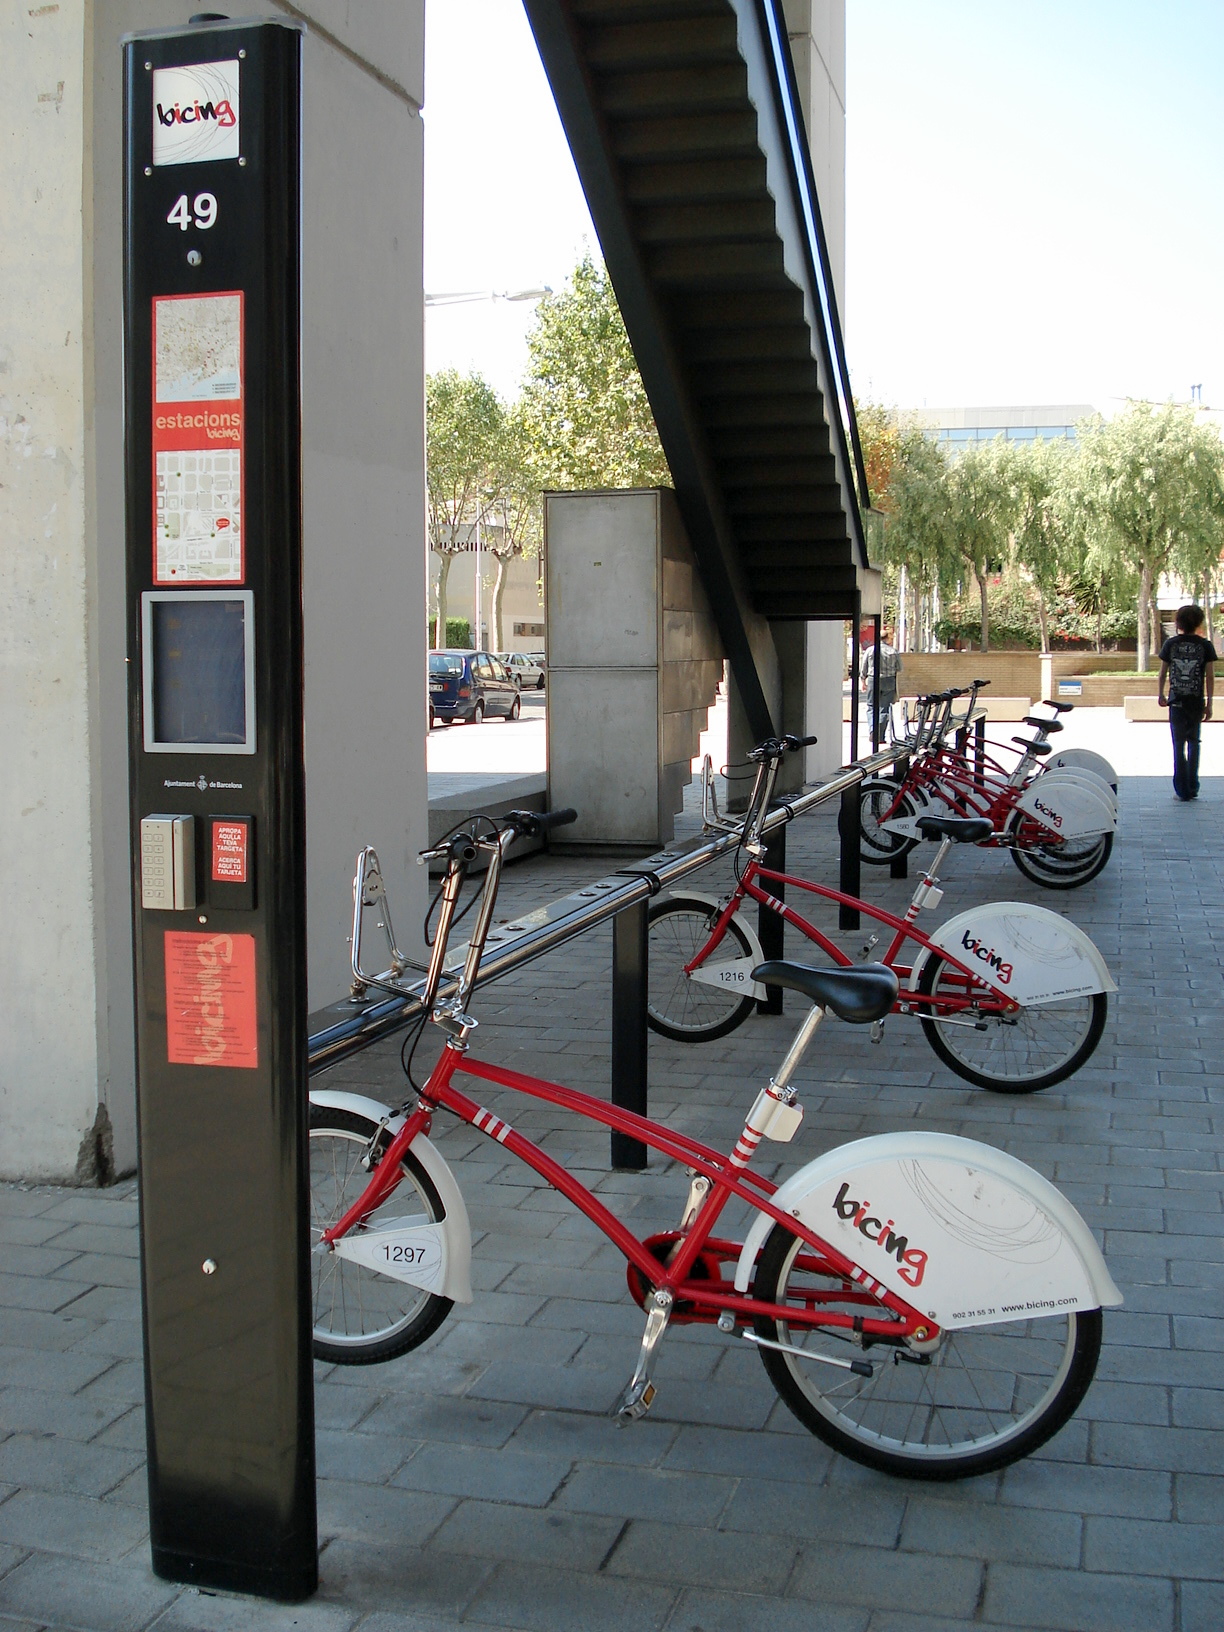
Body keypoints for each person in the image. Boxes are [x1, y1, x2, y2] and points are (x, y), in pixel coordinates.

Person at [1157, 604, 1216, 801]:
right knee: (1194, 743)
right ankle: (1193, 786)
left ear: (1178, 623)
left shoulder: (1171, 644)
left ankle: (1181, 789)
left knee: (1178, 744)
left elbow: (1163, 672)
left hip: (1176, 702)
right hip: (1195, 701)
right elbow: (1209, 676)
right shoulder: (1205, 646)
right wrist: (1209, 703)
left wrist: (1161, 694)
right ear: (1199, 622)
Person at [859, 624, 899, 742]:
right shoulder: (893, 651)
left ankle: (873, 730)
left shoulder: (870, 650)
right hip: (889, 680)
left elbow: (864, 667)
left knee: (871, 706)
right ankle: (880, 735)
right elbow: (900, 668)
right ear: (887, 639)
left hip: (873, 679)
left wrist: (863, 681)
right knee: (884, 708)